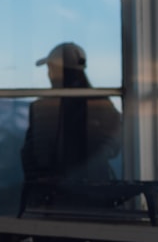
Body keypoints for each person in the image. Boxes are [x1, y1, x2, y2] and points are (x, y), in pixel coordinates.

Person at [20, 42, 122, 187]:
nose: (49, 74)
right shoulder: (102, 104)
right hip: (96, 189)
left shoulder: (41, 108)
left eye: (50, 68)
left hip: (51, 192)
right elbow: (115, 144)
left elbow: (30, 153)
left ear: (56, 71)